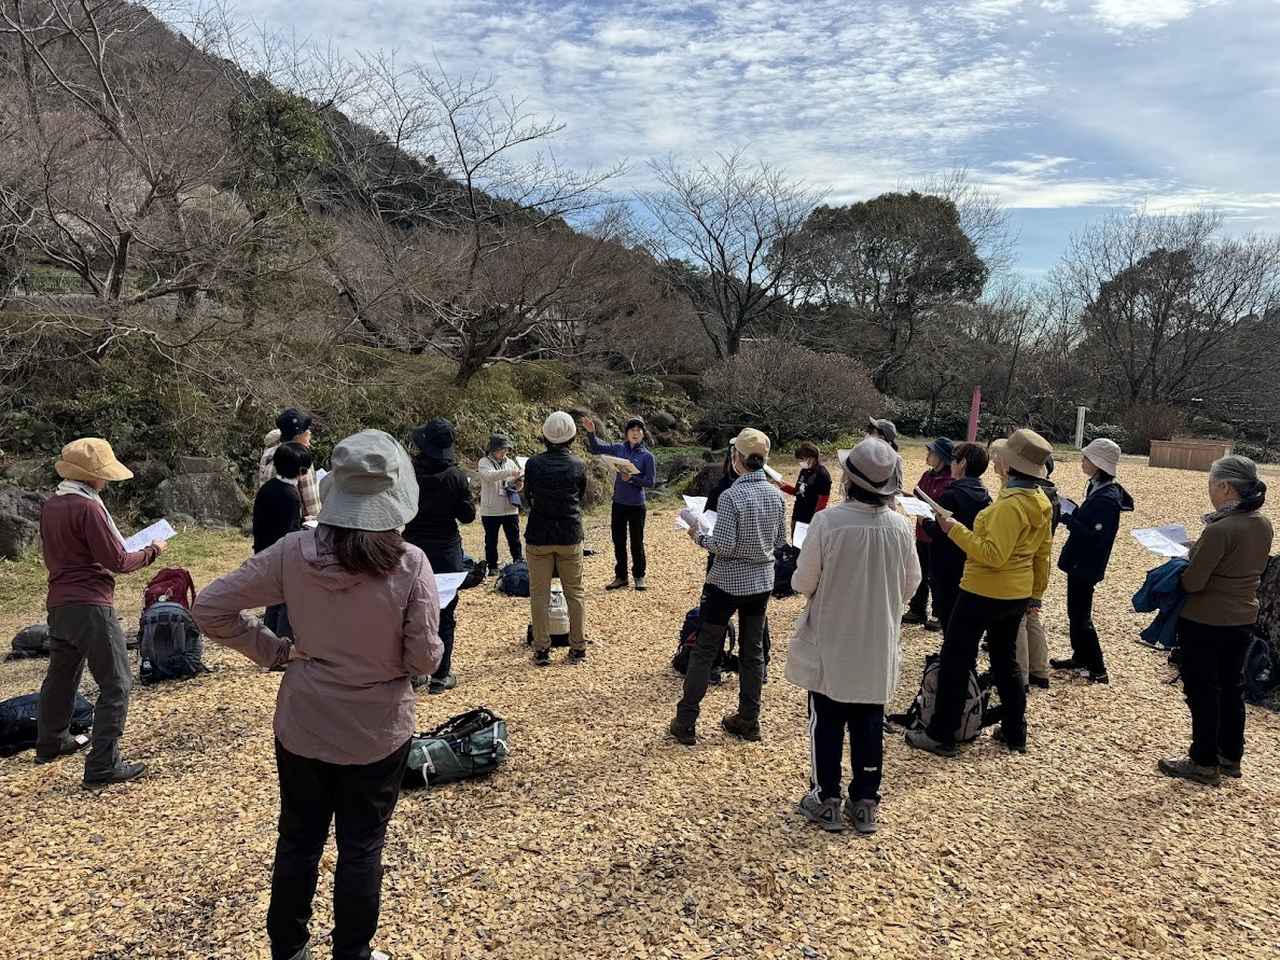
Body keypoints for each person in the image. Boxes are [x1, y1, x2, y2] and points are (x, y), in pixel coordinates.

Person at [194, 429, 441, 960]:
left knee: (298, 842)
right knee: (362, 848)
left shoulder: (293, 552)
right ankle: (352, 953)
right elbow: (424, 660)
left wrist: (275, 650)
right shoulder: (409, 563)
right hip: (378, 727)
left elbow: (210, 607)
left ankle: (288, 949)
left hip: (304, 719)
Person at [786, 439, 919, 835]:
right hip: (878, 639)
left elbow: (802, 581)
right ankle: (864, 801)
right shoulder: (900, 527)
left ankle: (826, 797)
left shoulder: (828, 522)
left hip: (833, 637)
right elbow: (911, 584)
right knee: (869, 722)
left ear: (849, 480)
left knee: (825, 721)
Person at [905, 429, 1054, 757]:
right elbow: (1042, 553)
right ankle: (1015, 729)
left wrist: (954, 529)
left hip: (983, 590)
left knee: (957, 658)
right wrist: (1035, 594)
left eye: (1001, 458)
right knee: (1005, 660)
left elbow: (992, 554)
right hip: (1016, 592)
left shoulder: (1009, 507)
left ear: (1009, 466)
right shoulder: (1040, 502)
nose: (996, 461)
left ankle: (943, 733)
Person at [35, 438, 166, 786]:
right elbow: (118, 560)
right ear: (92, 475)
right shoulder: (88, 508)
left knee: (61, 676)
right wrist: (152, 550)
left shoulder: (52, 505)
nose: (106, 480)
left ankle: (50, 741)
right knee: (117, 682)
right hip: (90, 602)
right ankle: (103, 764)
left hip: (59, 601)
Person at [1159, 455, 1272, 786]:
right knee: (1232, 686)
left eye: (1211, 483)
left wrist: (1180, 565)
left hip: (1206, 619)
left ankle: (1203, 761)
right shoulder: (1261, 523)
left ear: (1224, 487)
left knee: (1202, 689)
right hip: (1243, 617)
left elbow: (1193, 583)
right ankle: (1230, 756)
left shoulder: (1220, 529)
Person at [670, 427, 787, 745]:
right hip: (760, 582)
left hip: (726, 582)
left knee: (705, 650)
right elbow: (780, 541)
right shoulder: (776, 496)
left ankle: (686, 721)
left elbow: (722, 545)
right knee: (753, 651)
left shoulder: (731, 496)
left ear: (737, 458)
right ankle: (749, 719)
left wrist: (697, 535)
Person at [1048, 439, 1133, 685]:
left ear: (1098, 464)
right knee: (1075, 612)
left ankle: (1098, 667)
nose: (1082, 461)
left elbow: (1096, 537)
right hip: (1081, 561)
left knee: (1081, 615)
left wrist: (1068, 518)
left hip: (1086, 563)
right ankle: (1081, 656)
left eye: (1086, 458)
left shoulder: (1106, 498)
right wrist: (1075, 512)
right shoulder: (1098, 487)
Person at [403, 418, 475, 694]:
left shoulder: (409, 473)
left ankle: (414, 671)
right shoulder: (455, 476)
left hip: (413, 548)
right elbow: (467, 516)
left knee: (410, 612)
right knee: (445, 613)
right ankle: (441, 675)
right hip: (445, 550)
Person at [524, 411, 588, 665]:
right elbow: (580, 495)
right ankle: (578, 647)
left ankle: (541, 649)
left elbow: (528, 497)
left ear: (545, 435)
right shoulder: (577, 464)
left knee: (539, 594)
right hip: (569, 533)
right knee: (575, 593)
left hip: (539, 534)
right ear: (572, 436)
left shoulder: (533, 464)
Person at [922, 442, 991, 635]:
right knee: (965, 620)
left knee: (948, 617)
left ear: (963, 464)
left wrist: (924, 520)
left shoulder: (951, 495)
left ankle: (950, 650)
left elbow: (938, 531)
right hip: (970, 561)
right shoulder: (986, 495)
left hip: (946, 563)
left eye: (954, 460)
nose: (951, 464)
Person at [584, 415, 657, 591]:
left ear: (643, 434)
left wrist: (631, 478)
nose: (635, 433)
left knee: (637, 542)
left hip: (637, 505)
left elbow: (650, 482)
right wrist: (592, 433)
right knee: (618, 541)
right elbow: (596, 448)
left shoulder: (648, 456)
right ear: (626, 433)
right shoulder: (619, 448)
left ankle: (639, 576)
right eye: (632, 430)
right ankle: (621, 577)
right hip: (618, 503)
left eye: (639, 430)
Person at [253, 442, 314, 640]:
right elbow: (290, 533)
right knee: (288, 602)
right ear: (301, 471)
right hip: (283, 556)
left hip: (265, 551)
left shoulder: (268, 488)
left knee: (273, 599)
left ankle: (268, 638)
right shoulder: (290, 495)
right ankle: (283, 643)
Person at [904, 438, 954, 629]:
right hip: (922, 531)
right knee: (920, 572)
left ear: (942, 457)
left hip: (938, 535)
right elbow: (919, 496)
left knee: (938, 576)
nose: (928, 455)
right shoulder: (927, 475)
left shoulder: (951, 480)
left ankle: (938, 613)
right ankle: (917, 609)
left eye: (931, 452)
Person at [260, 408, 321, 523]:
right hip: (292, 526)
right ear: (298, 435)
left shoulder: (268, 453)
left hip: (266, 522)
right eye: (306, 429)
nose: (310, 433)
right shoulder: (301, 459)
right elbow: (313, 508)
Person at [477, 433, 524, 572]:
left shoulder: (510, 462)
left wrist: (519, 483)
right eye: (501, 449)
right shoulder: (484, 462)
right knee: (491, 541)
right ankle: (492, 566)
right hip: (491, 510)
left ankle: (518, 562)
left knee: (514, 539)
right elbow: (489, 476)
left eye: (506, 449)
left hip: (510, 508)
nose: (504, 452)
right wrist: (510, 472)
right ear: (493, 449)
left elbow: (516, 485)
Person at [773, 441, 832, 538]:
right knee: (795, 541)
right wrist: (782, 485)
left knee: (803, 544)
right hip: (798, 512)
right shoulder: (804, 471)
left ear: (812, 457)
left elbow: (823, 500)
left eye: (802, 459)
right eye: (799, 459)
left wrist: (815, 520)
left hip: (810, 516)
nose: (801, 462)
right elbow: (797, 491)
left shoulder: (822, 474)